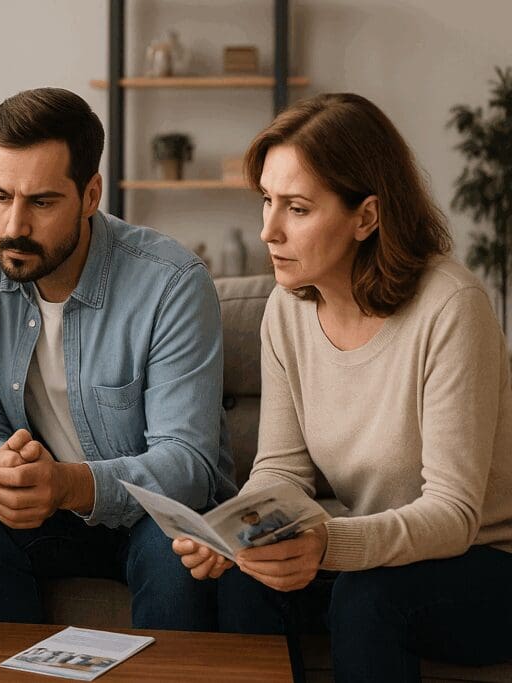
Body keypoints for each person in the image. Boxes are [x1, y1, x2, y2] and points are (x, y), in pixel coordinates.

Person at [173, 93, 512, 680]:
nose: (268, 231)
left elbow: (454, 515)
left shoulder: (451, 307)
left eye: (297, 209)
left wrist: (327, 544)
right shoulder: (286, 310)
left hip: (484, 563)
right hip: (379, 556)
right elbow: (280, 472)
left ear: (366, 217)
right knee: (244, 584)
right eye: (267, 202)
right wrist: (236, 532)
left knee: (368, 598)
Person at [0, 87, 237, 630]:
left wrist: (69, 484)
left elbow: (188, 467)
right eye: (0, 195)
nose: (13, 227)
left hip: (151, 514)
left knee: (172, 548)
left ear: (90, 195)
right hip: (47, 516)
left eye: (41, 202)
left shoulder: (172, 284)